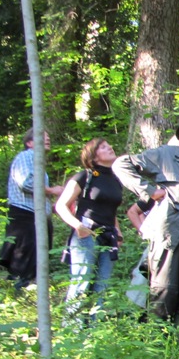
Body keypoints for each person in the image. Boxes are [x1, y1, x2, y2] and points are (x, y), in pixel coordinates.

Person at [113, 111, 179, 330]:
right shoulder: (165, 155)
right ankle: (158, 343)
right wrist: (149, 191)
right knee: (163, 290)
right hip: (168, 233)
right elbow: (121, 164)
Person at [54, 138, 124, 323]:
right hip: (87, 235)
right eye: (103, 147)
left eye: (109, 144)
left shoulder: (115, 180)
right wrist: (78, 226)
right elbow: (61, 205)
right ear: (93, 157)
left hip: (108, 236)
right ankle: (72, 329)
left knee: (101, 286)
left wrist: (118, 232)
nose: (109, 147)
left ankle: (93, 332)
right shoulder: (84, 177)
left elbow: (111, 210)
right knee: (81, 283)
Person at [0, 129, 63, 289]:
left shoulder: (37, 161)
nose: (47, 139)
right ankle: (19, 292)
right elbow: (26, 183)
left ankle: (29, 291)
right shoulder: (27, 156)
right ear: (29, 143)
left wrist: (52, 207)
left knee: (36, 257)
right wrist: (52, 190)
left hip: (34, 214)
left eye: (48, 137)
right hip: (25, 215)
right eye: (42, 137)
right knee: (25, 258)